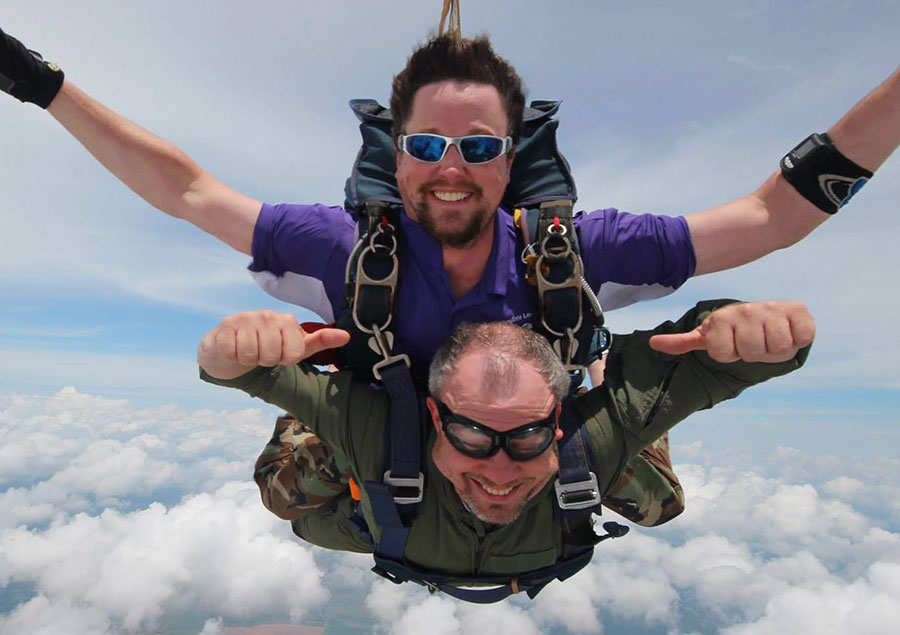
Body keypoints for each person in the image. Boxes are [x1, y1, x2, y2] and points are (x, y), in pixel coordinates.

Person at [2, 27, 896, 524]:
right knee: (299, 491)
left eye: (478, 147)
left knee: (647, 496)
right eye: (426, 146)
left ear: (512, 159)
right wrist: (43, 86)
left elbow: (774, 216)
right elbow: (187, 189)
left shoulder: (574, 253)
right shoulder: (342, 249)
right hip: (384, 420)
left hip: (539, 431)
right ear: (395, 157)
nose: (451, 167)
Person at [198, 299, 814, 600]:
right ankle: (354, 418)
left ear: (557, 418)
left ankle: (593, 382)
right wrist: (244, 349)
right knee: (291, 499)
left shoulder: (585, 445)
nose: (498, 469)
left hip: (408, 525)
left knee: (656, 501)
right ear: (436, 416)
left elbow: (714, 360)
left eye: (526, 433)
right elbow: (238, 369)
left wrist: (745, 328)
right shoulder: (382, 433)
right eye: (471, 434)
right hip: (388, 502)